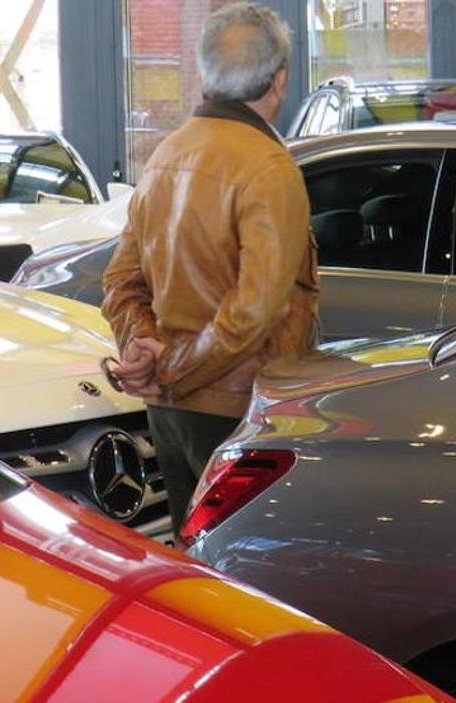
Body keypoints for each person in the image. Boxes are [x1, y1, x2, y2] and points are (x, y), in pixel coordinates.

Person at [101, 2, 318, 538]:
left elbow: (120, 282)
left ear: (206, 74)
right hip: (243, 409)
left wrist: (146, 350)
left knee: (191, 562)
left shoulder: (166, 155)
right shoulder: (268, 167)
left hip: (170, 412)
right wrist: (173, 367)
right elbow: (255, 312)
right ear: (280, 80)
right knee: (243, 571)